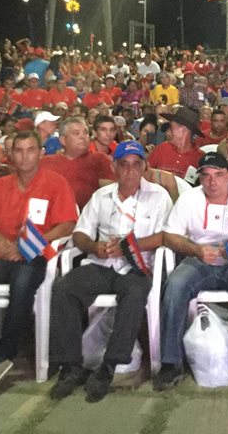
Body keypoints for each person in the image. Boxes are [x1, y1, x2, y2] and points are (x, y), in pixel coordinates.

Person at [48, 142, 172, 402]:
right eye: (123, 165)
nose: (130, 171)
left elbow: (165, 236)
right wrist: (94, 246)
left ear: (145, 167)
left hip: (137, 267)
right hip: (102, 264)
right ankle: (71, 366)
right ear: (114, 167)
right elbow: (80, 232)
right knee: (63, 288)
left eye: (136, 164)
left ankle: (109, 367)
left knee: (135, 293)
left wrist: (131, 245)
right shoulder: (101, 196)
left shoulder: (159, 196)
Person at [0, 131, 78, 401]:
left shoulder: (55, 183)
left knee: (23, 283)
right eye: (19, 150)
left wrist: (39, 241)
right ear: (11, 155)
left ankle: (6, 351)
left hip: (34, 252)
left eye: (30, 150)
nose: (24, 156)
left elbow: (68, 223)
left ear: (40, 153)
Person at [154, 152, 228, 391]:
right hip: (198, 259)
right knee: (174, 286)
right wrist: (195, 249)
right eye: (206, 176)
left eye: (218, 175)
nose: (212, 182)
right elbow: (170, 235)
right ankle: (171, 361)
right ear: (200, 178)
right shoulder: (189, 199)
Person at [39, 117, 115, 209]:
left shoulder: (99, 159)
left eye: (86, 133)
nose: (83, 136)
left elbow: (111, 192)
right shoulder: (46, 162)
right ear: (63, 140)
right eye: (76, 133)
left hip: (88, 216)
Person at [147, 108, 203, 178]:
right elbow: (146, 173)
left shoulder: (200, 158)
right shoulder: (162, 148)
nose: (169, 132)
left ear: (183, 131)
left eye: (172, 128)